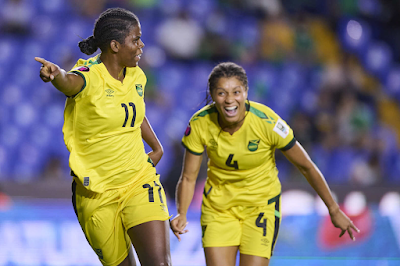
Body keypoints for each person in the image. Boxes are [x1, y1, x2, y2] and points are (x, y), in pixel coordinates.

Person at [170, 62, 360, 266]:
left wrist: (333, 209)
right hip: (219, 210)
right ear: (213, 95)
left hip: (260, 209)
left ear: (245, 92)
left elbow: (306, 166)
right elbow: (188, 177)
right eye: (222, 93)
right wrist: (182, 212)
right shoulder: (200, 123)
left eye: (236, 92)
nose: (229, 100)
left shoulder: (267, 122)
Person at [35, 8, 171, 266]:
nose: (142, 45)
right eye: (136, 39)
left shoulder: (137, 75)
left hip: (138, 180)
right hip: (95, 193)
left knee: (160, 264)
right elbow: (70, 82)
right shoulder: (88, 76)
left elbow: (133, 110)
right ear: (115, 45)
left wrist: (156, 146)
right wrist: (56, 75)